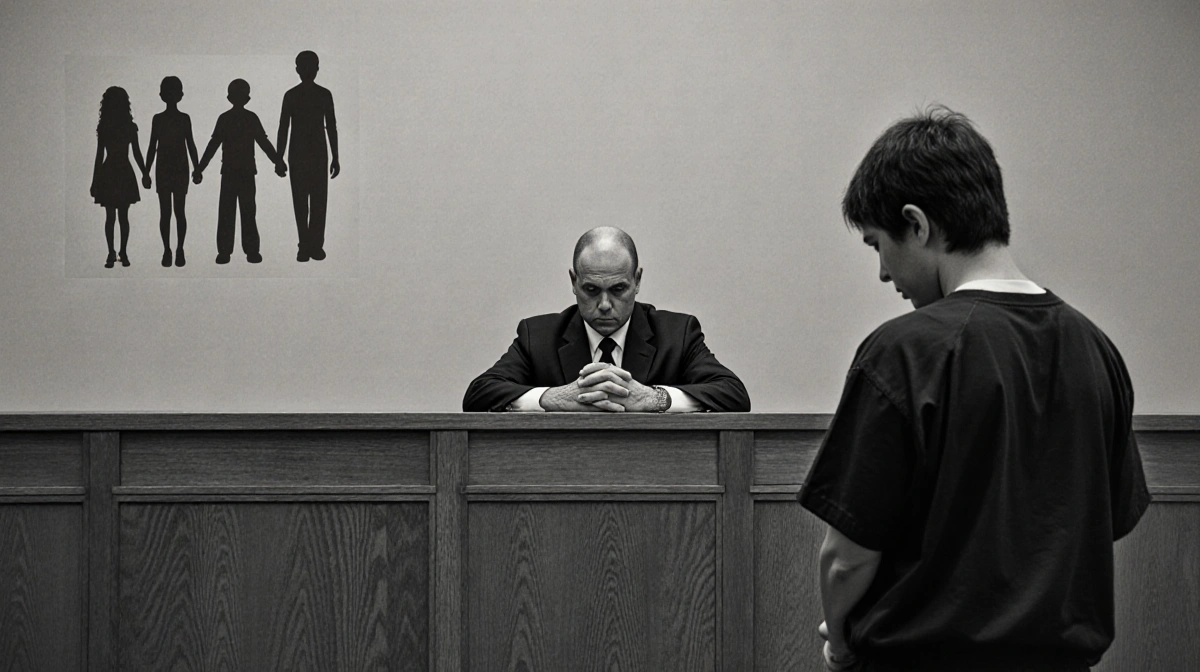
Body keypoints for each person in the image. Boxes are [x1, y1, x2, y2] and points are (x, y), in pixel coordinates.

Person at [799, 107, 1150, 671]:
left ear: (917, 224)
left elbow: (846, 560)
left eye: (876, 246)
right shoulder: (1097, 349)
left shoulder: (904, 352)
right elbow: (1101, 525)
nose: (884, 274)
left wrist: (840, 646)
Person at [463, 227, 750, 413]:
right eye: (591, 290)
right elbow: (478, 395)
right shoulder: (537, 335)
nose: (603, 305)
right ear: (574, 282)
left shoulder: (678, 333)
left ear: (636, 281)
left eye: (618, 290)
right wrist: (552, 398)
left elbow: (734, 395)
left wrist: (653, 399)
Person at [194, 79, 286, 264]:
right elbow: (263, 142)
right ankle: (247, 251)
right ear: (247, 97)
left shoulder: (226, 118)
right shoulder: (249, 118)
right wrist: (278, 161)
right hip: (243, 172)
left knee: (232, 211)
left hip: (232, 171)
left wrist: (199, 168)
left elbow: (214, 145)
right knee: (246, 211)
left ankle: (226, 251)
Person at [276, 50, 340, 262]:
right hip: (301, 154)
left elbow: (331, 127)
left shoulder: (321, 95)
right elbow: (283, 127)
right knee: (304, 202)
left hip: (314, 154)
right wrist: (279, 157)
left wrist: (336, 156)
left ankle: (312, 245)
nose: (308, 71)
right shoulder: (294, 95)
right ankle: (306, 245)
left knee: (314, 202)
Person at [143, 76, 200, 268]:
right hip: (171, 168)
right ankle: (171, 249)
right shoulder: (165, 119)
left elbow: (190, 144)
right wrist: (146, 171)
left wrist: (197, 167)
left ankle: (175, 249)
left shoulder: (174, 119)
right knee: (172, 212)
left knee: (172, 212)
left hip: (173, 168)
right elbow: (152, 146)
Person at [90, 86, 147, 268]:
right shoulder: (128, 127)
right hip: (122, 171)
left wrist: (95, 180)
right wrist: (145, 172)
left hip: (111, 172)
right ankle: (119, 252)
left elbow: (100, 156)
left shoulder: (106, 126)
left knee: (112, 217)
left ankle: (114, 252)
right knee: (121, 216)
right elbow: (136, 153)